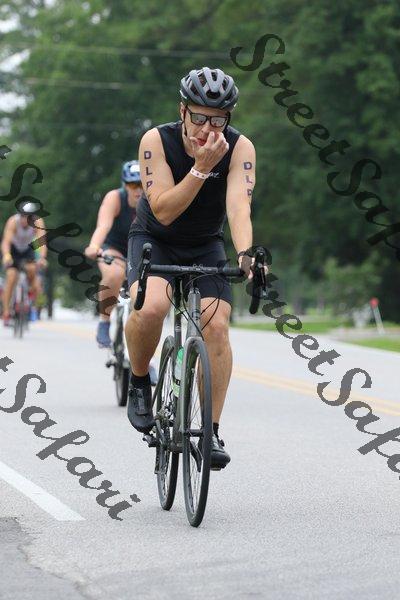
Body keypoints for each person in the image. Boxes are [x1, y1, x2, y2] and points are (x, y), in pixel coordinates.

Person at [125, 67, 257, 469]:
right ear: (182, 111)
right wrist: (200, 168)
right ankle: (138, 380)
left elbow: (238, 206)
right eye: (199, 117)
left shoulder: (240, 148)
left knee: (217, 326)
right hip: (155, 238)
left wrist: (246, 254)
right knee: (151, 307)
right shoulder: (156, 141)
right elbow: (164, 210)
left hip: (204, 244)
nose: (207, 129)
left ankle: (211, 430)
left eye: (218, 120)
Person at [84, 160, 157, 383]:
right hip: (114, 250)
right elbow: (103, 225)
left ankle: (147, 363)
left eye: (141, 184)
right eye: (133, 185)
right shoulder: (115, 198)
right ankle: (104, 322)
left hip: (142, 253)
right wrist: (94, 246)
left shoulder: (156, 198)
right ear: (125, 185)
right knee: (114, 275)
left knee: (151, 306)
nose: (138, 190)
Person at [1, 202, 47, 326]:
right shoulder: (13, 222)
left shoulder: (38, 222)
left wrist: (42, 258)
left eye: (27, 217)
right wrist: (6, 255)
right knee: (11, 276)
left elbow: (42, 243)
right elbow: (6, 242)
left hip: (27, 250)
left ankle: (29, 294)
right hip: (13, 250)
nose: (24, 220)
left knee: (32, 269)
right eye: (22, 216)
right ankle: (6, 311)